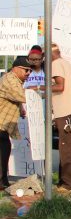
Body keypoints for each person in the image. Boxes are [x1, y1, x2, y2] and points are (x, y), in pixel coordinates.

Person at [50, 43, 71, 190]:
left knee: (67, 148)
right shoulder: (67, 64)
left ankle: (69, 183)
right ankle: (68, 181)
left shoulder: (56, 64)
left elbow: (60, 86)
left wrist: (40, 88)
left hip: (65, 111)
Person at [0, 57, 31, 188]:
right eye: (26, 70)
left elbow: (14, 98)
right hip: (1, 122)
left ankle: (3, 180)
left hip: (4, 123)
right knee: (3, 150)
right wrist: (41, 92)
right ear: (16, 68)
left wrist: (21, 108)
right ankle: (2, 181)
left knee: (4, 149)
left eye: (30, 70)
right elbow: (20, 95)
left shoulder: (16, 80)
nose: (28, 73)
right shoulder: (10, 80)